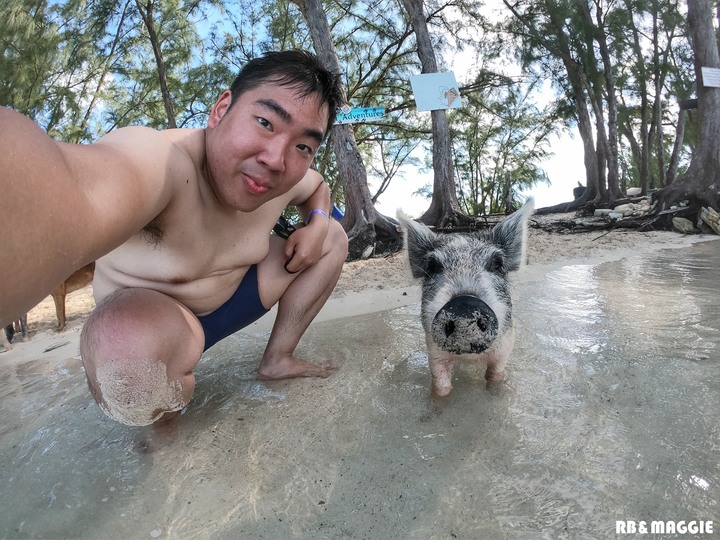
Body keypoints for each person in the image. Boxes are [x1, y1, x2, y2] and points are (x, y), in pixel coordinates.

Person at [0, 49, 348, 426]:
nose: (276, 159)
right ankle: (160, 428)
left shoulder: (284, 177)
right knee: (128, 366)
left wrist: (315, 221)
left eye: (303, 146)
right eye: (265, 122)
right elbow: (72, 187)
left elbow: (319, 187)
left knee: (332, 236)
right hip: (152, 332)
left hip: (238, 295)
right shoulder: (164, 161)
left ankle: (278, 358)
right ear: (221, 110)